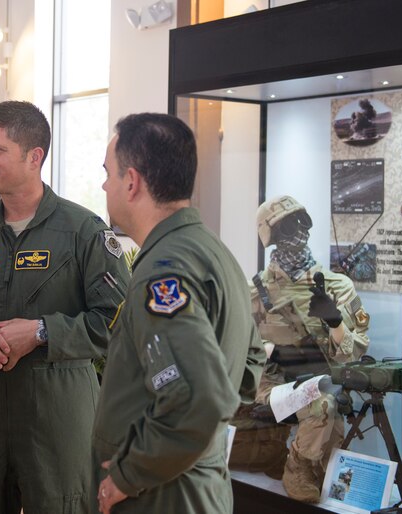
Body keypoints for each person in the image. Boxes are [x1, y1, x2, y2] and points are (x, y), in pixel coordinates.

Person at [0, 100, 129, 514]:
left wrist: (40, 332)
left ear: (34, 157)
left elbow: (118, 321)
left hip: (59, 421)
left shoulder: (84, 233)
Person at [93, 113, 265, 514]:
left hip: (161, 494)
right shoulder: (213, 252)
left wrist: (129, 473)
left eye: (108, 173)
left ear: (131, 182)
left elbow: (200, 398)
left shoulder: (163, 273)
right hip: (191, 482)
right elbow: (249, 365)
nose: (104, 184)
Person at [247, 195, 370, 503]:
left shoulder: (337, 286)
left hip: (323, 381)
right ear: (270, 236)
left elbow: (354, 353)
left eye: (301, 222)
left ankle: (306, 462)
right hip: (275, 385)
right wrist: (272, 349)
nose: (298, 231)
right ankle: (297, 466)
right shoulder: (256, 291)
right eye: (287, 225)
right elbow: (237, 348)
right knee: (323, 406)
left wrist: (335, 322)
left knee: (335, 479)